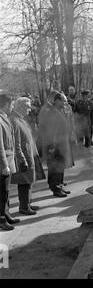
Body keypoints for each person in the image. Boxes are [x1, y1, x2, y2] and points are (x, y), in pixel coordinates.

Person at [10, 97, 46, 216]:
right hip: (24, 157)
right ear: (20, 107)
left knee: (29, 181)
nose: (29, 109)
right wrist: (22, 160)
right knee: (24, 182)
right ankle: (24, 207)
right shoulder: (14, 121)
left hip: (29, 154)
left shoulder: (21, 119)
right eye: (28, 107)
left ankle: (28, 203)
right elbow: (16, 144)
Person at [40, 92, 74, 198]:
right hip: (55, 145)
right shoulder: (51, 112)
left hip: (62, 144)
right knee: (55, 166)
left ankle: (59, 185)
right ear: (57, 100)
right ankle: (56, 188)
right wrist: (52, 146)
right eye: (63, 101)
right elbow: (51, 130)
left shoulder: (59, 110)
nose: (65, 103)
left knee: (61, 166)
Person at [0, 94, 19, 231]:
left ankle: (6, 214)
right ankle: (1, 220)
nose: (12, 107)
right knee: (2, 192)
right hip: (4, 162)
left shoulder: (4, 117)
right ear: (6, 105)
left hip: (9, 159)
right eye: (11, 105)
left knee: (6, 192)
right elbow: (0, 145)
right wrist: (4, 165)